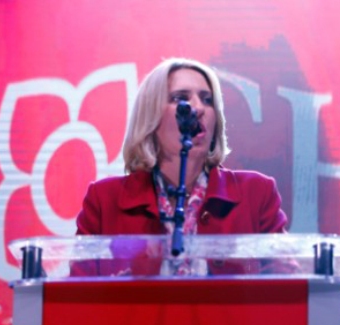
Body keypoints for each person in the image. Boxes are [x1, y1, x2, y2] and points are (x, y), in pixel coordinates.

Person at [76, 57, 287, 238]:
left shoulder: (257, 193)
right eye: (180, 99)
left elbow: (284, 271)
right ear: (150, 116)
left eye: (207, 100)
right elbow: (82, 275)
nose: (198, 108)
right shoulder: (103, 201)